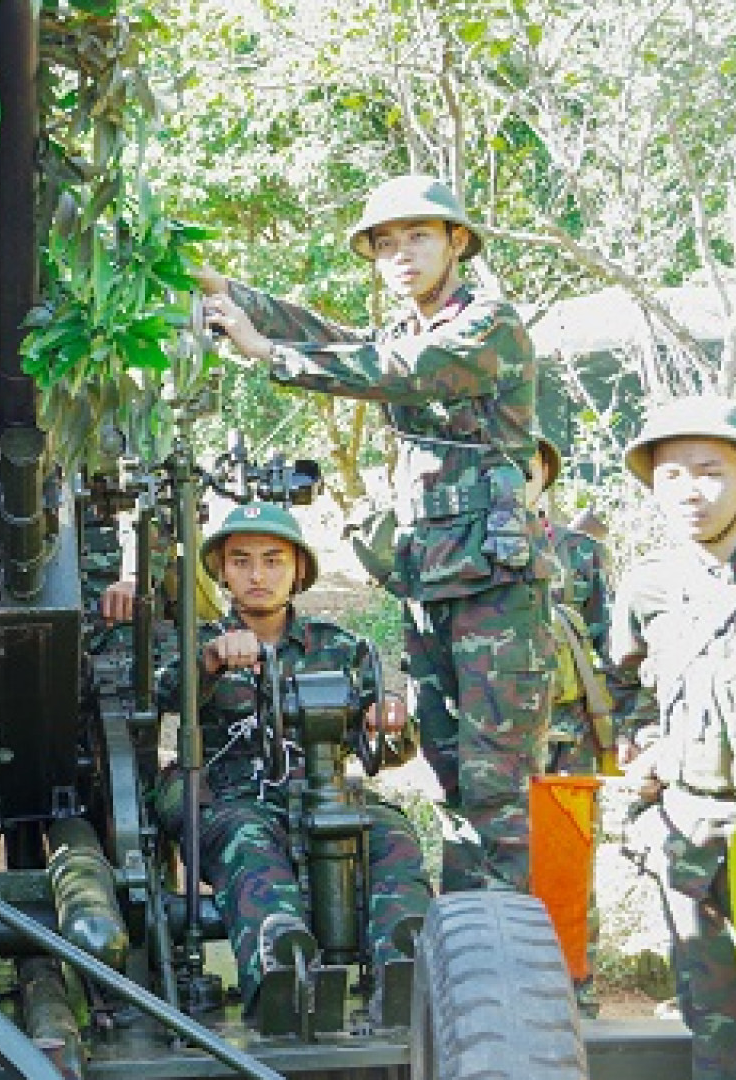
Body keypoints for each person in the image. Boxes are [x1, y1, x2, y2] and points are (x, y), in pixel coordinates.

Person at [199, 174, 552, 892]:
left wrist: (267, 354)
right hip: (432, 580)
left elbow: (399, 371)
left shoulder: (489, 324)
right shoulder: (407, 328)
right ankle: (468, 940)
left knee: (500, 784)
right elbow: (340, 340)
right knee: (452, 771)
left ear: (457, 241)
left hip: (495, 586)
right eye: (384, 244)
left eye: (417, 237)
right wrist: (230, 293)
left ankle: (523, 957)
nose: (400, 255)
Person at [153, 503, 431, 1025]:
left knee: (391, 834)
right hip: (234, 805)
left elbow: (388, 751)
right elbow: (161, 694)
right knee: (252, 851)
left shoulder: (340, 648)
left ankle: (405, 970)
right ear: (221, 570)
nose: (258, 575)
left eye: (273, 560)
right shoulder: (196, 640)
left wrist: (386, 724)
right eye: (241, 561)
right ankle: (283, 973)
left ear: (298, 569)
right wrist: (208, 663)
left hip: (324, 796)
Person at [609, 395, 736, 1079]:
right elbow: (622, 685)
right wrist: (642, 743)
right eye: (671, 476)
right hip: (688, 833)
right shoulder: (649, 586)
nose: (690, 492)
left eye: (710, 472)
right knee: (716, 1036)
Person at [527, 436, 632, 1017]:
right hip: (487, 746)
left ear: (546, 470)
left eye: (528, 462)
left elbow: (614, 655)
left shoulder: (579, 554)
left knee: (565, 871)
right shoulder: (455, 554)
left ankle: (573, 999)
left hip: (566, 742)